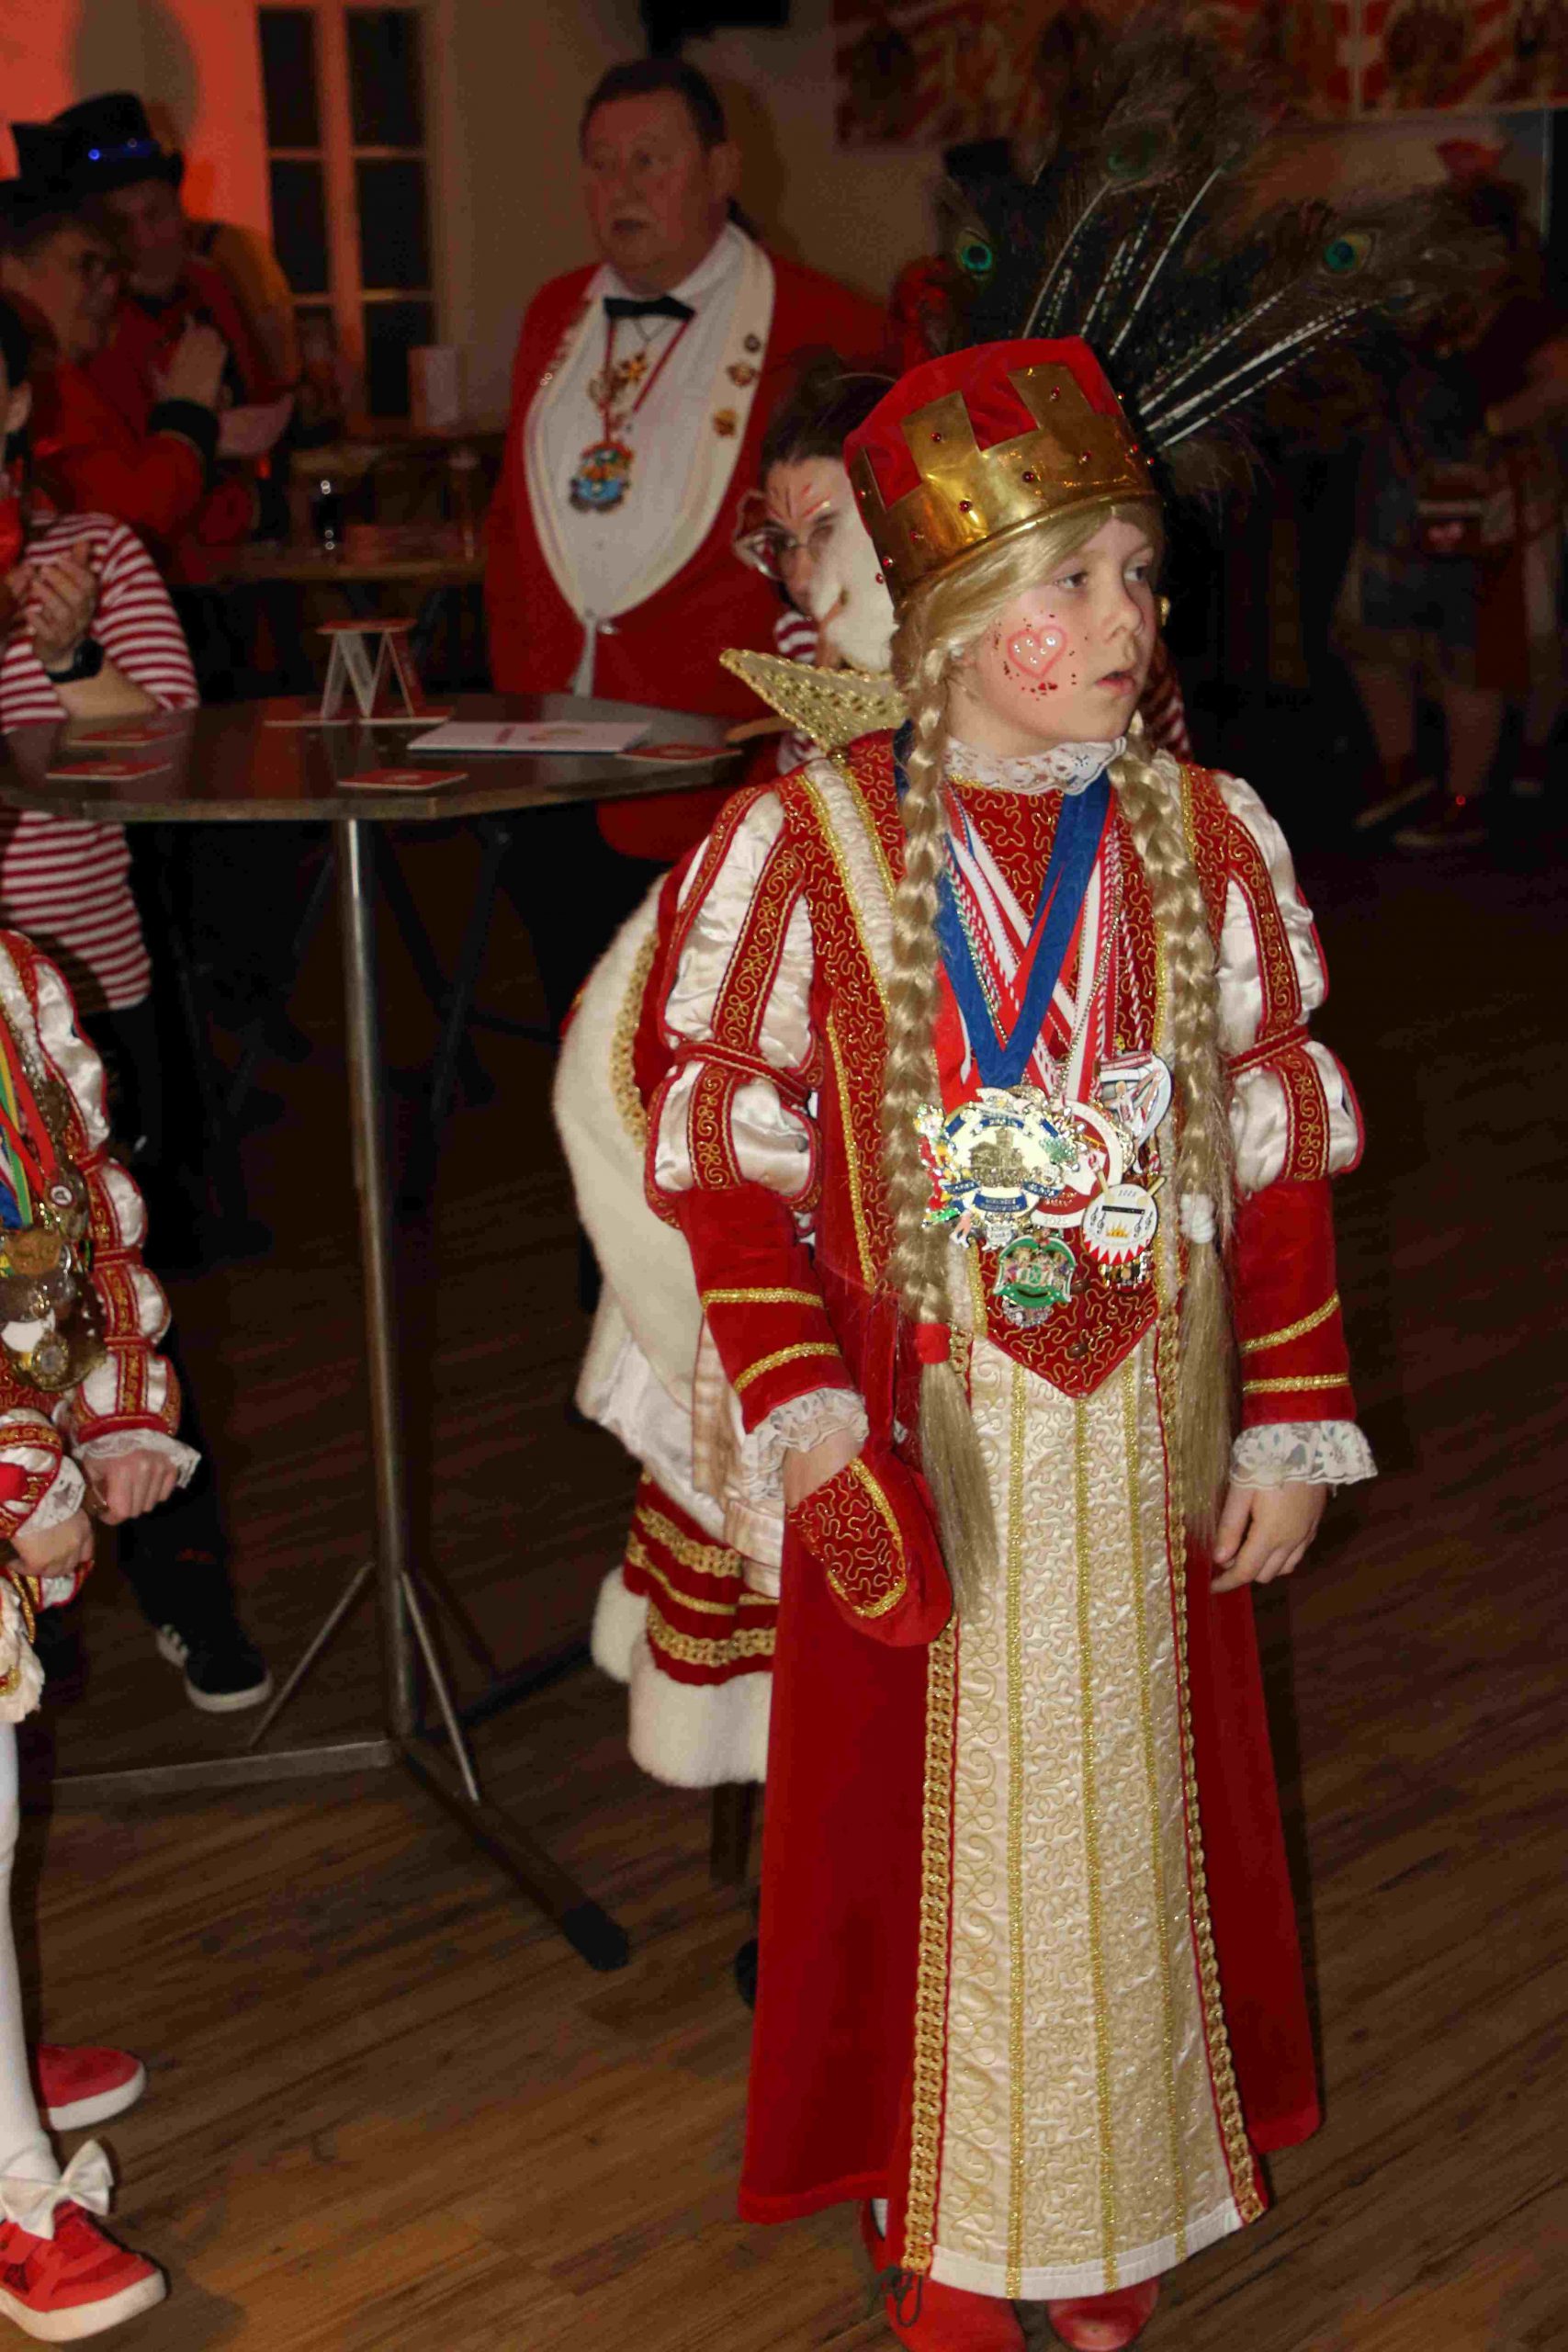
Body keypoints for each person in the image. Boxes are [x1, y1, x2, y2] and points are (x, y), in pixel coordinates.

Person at [485, 56, 889, 1030]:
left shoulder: (828, 324)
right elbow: (513, 528)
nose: (619, 187)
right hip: (551, 763)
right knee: (576, 1041)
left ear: (721, 170)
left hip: (717, 774)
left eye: (649, 161)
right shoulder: (550, 317)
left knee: (715, 1047)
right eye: (600, 164)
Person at [0, 293, 271, 1714]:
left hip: (82, 1005)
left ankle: (186, 1592)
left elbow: (185, 762)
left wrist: (69, 662)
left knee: (104, 1297)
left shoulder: (94, 553)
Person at [0, 920, 200, 2336]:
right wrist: (26, 1480)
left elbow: (65, 1206)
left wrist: (116, 1403)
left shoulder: (12, 977)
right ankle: (12, 2189)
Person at [1334, 164, 1568, 848]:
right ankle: (1402, 773)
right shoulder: (1418, 310)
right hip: (1399, 508)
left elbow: (1556, 384)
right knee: (1372, 638)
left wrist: (1493, 422)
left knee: (1475, 657)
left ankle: (1463, 801)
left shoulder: (1530, 316)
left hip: (1488, 521)